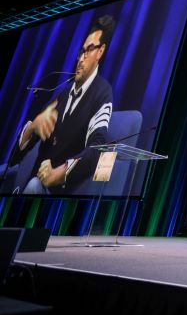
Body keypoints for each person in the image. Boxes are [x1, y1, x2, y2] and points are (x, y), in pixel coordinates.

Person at [11, 15, 115, 195]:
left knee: (35, 185)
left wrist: (59, 174)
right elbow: (14, 158)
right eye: (81, 51)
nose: (81, 59)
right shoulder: (62, 94)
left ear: (100, 52)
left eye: (89, 50)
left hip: (60, 197)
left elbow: (97, 149)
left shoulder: (102, 93)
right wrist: (33, 127)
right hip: (32, 190)